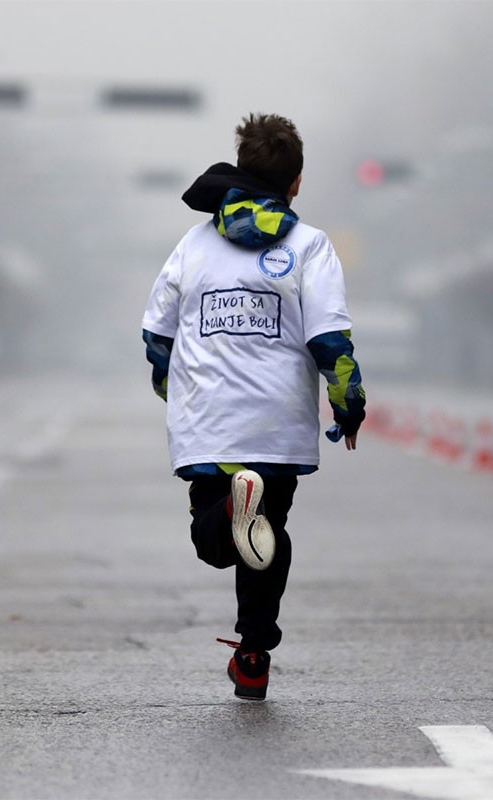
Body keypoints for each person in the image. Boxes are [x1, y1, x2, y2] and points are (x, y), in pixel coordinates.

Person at [141, 113, 366, 700]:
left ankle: (234, 509)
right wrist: (348, 406)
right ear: (295, 183)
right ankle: (253, 653)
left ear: (242, 172)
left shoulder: (193, 244)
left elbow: (157, 336)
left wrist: (172, 389)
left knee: (215, 541)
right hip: (277, 431)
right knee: (268, 532)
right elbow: (330, 343)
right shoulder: (310, 246)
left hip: (208, 426)